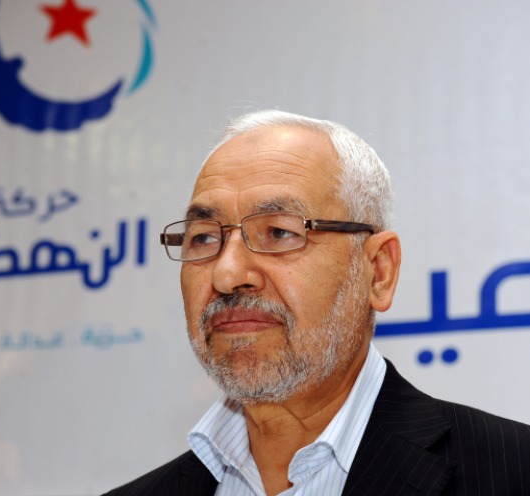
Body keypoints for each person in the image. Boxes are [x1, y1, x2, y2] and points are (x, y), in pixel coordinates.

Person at [103, 110, 530, 496]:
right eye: (203, 238)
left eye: (279, 232)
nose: (227, 274)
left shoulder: (511, 473)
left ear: (378, 271)